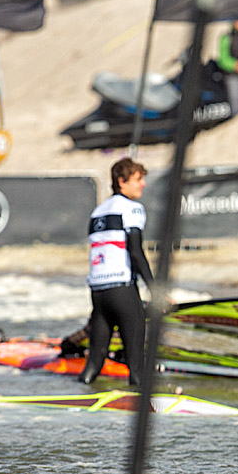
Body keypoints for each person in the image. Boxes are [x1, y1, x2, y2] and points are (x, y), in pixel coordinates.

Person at [78, 158, 155, 386]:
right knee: (136, 365)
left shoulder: (97, 211)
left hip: (98, 293)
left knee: (94, 362)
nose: (143, 185)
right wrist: (156, 291)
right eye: (138, 179)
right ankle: (139, 411)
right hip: (122, 291)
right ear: (122, 182)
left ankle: (79, 403)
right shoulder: (132, 208)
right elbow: (136, 252)